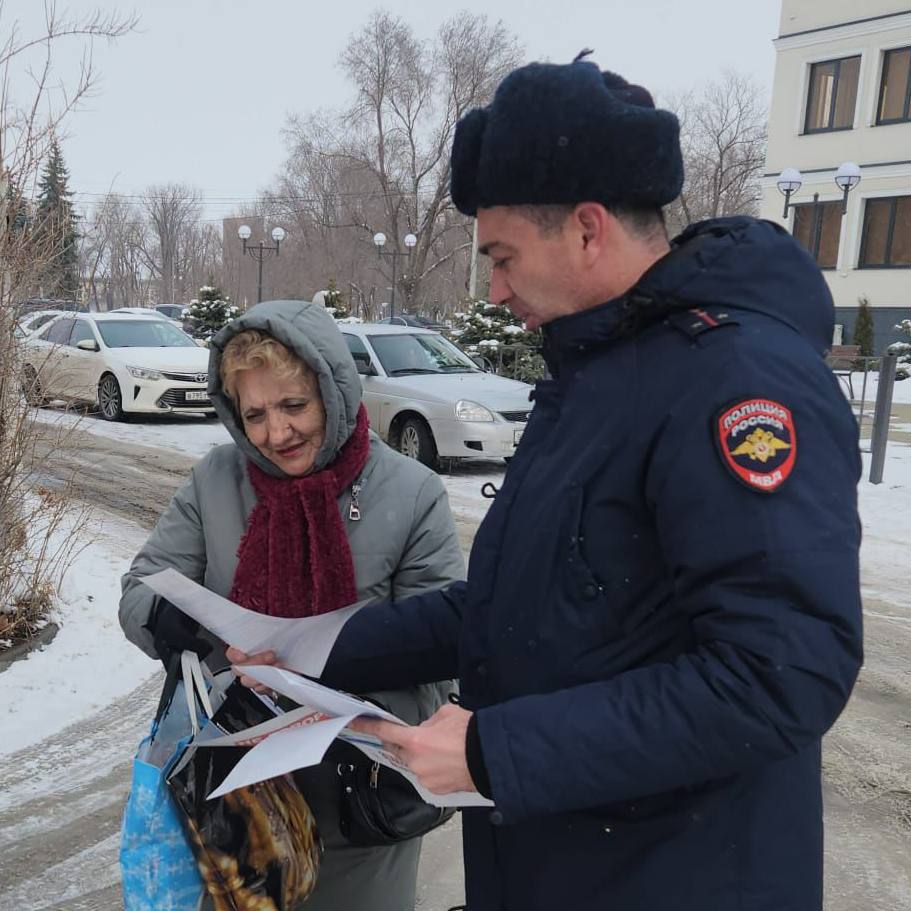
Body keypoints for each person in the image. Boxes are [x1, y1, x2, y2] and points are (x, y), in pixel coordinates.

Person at [308, 57, 864, 910]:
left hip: (676, 873)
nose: (493, 289)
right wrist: (311, 650)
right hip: (562, 864)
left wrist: (498, 751)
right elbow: (520, 606)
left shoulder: (735, 380)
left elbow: (776, 672)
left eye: (501, 256)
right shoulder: (598, 372)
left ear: (587, 228)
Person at [119, 299, 465, 911]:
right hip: (236, 813)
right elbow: (143, 586)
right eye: (254, 415)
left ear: (332, 391)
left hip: (361, 804)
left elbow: (440, 655)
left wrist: (330, 691)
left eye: (294, 406)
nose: (276, 434)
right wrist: (182, 625)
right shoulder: (216, 481)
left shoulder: (411, 494)